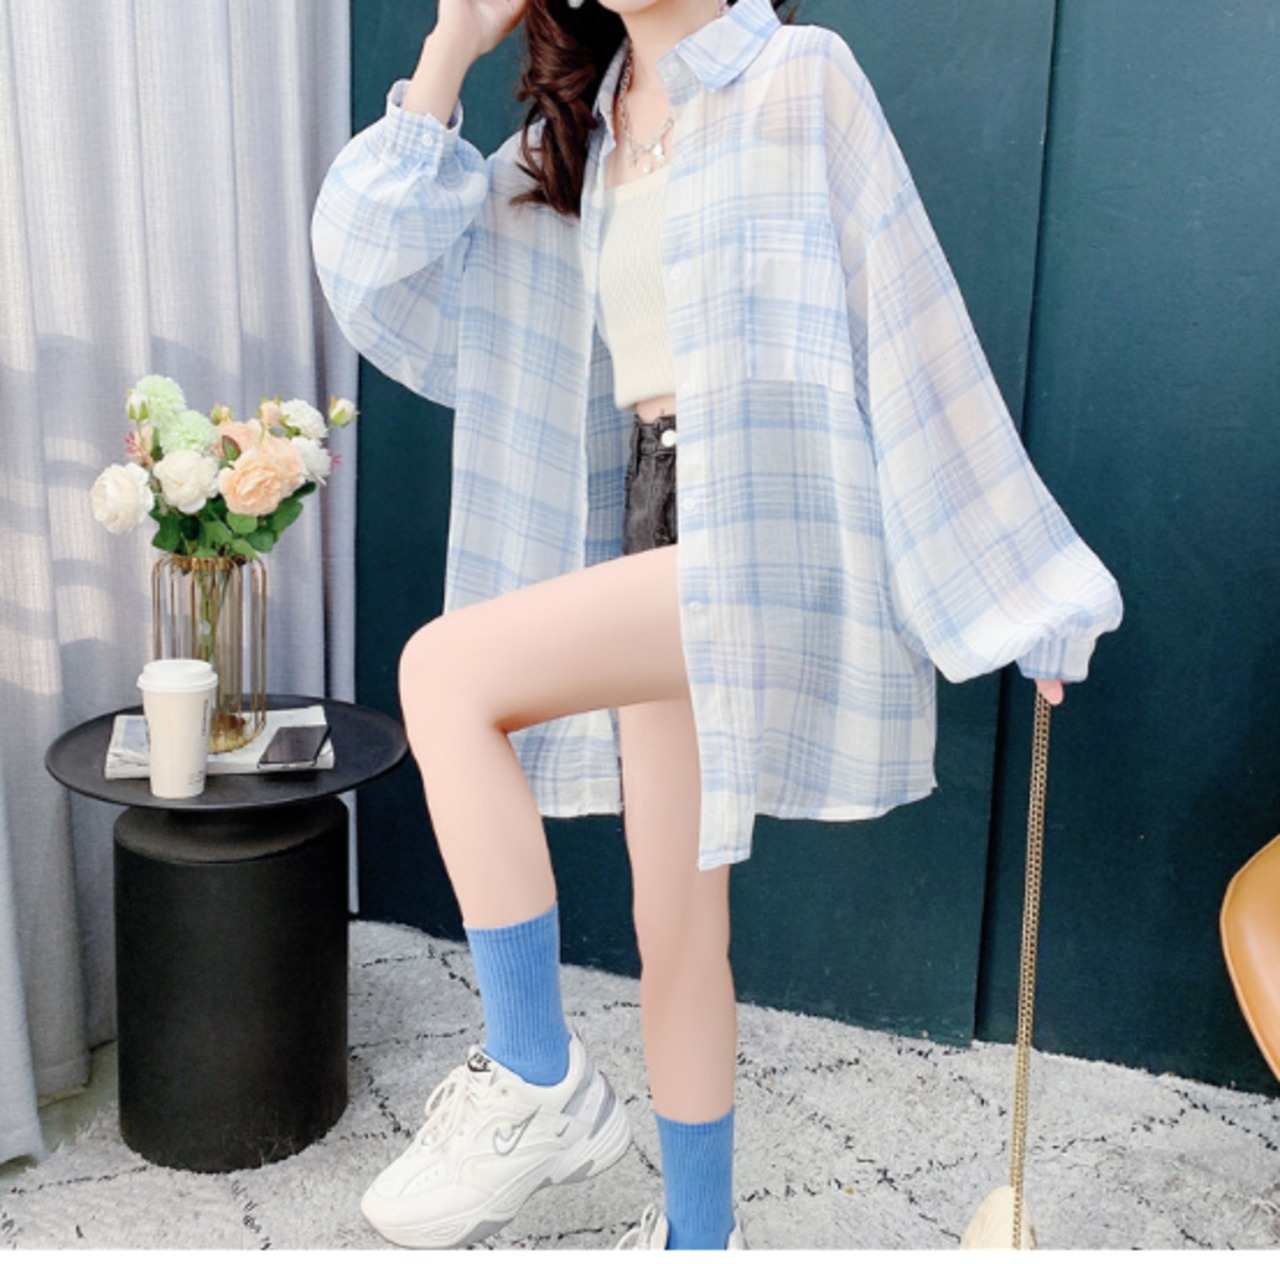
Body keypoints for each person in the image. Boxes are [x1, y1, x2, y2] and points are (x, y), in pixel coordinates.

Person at [311, 0, 1123, 1250]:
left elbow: (909, 322)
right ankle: (701, 1240)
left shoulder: (799, 77)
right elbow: (376, 265)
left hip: (764, 525)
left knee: (444, 671)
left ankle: (532, 1073)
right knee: (677, 925)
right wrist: (451, 41)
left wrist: (1024, 587)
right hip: (651, 515)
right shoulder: (577, 135)